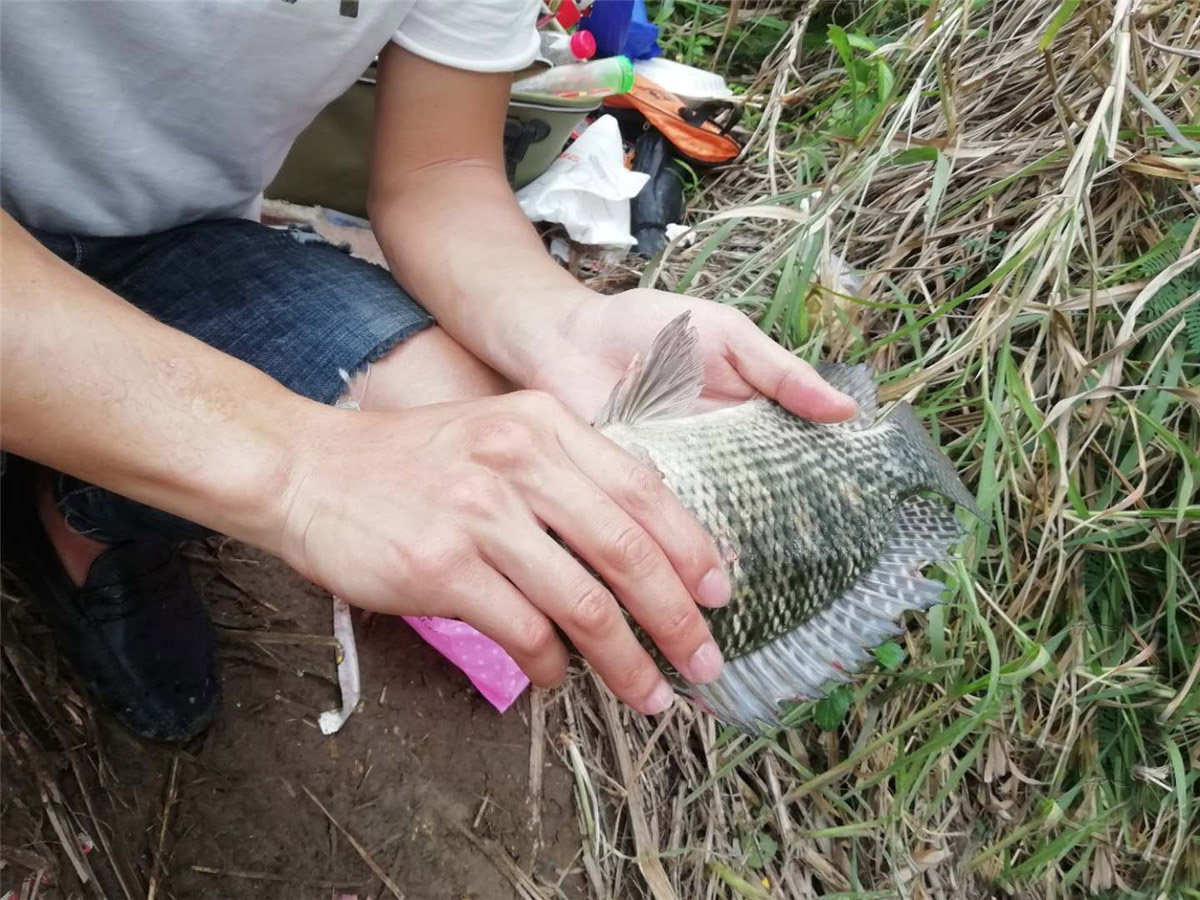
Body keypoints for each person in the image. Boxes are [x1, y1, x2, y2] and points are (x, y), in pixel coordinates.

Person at [0, 0, 856, 741]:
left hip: (170, 237)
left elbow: (438, 174)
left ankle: (85, 515)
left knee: (475, 434)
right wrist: (300, 467)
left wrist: (564, 326)